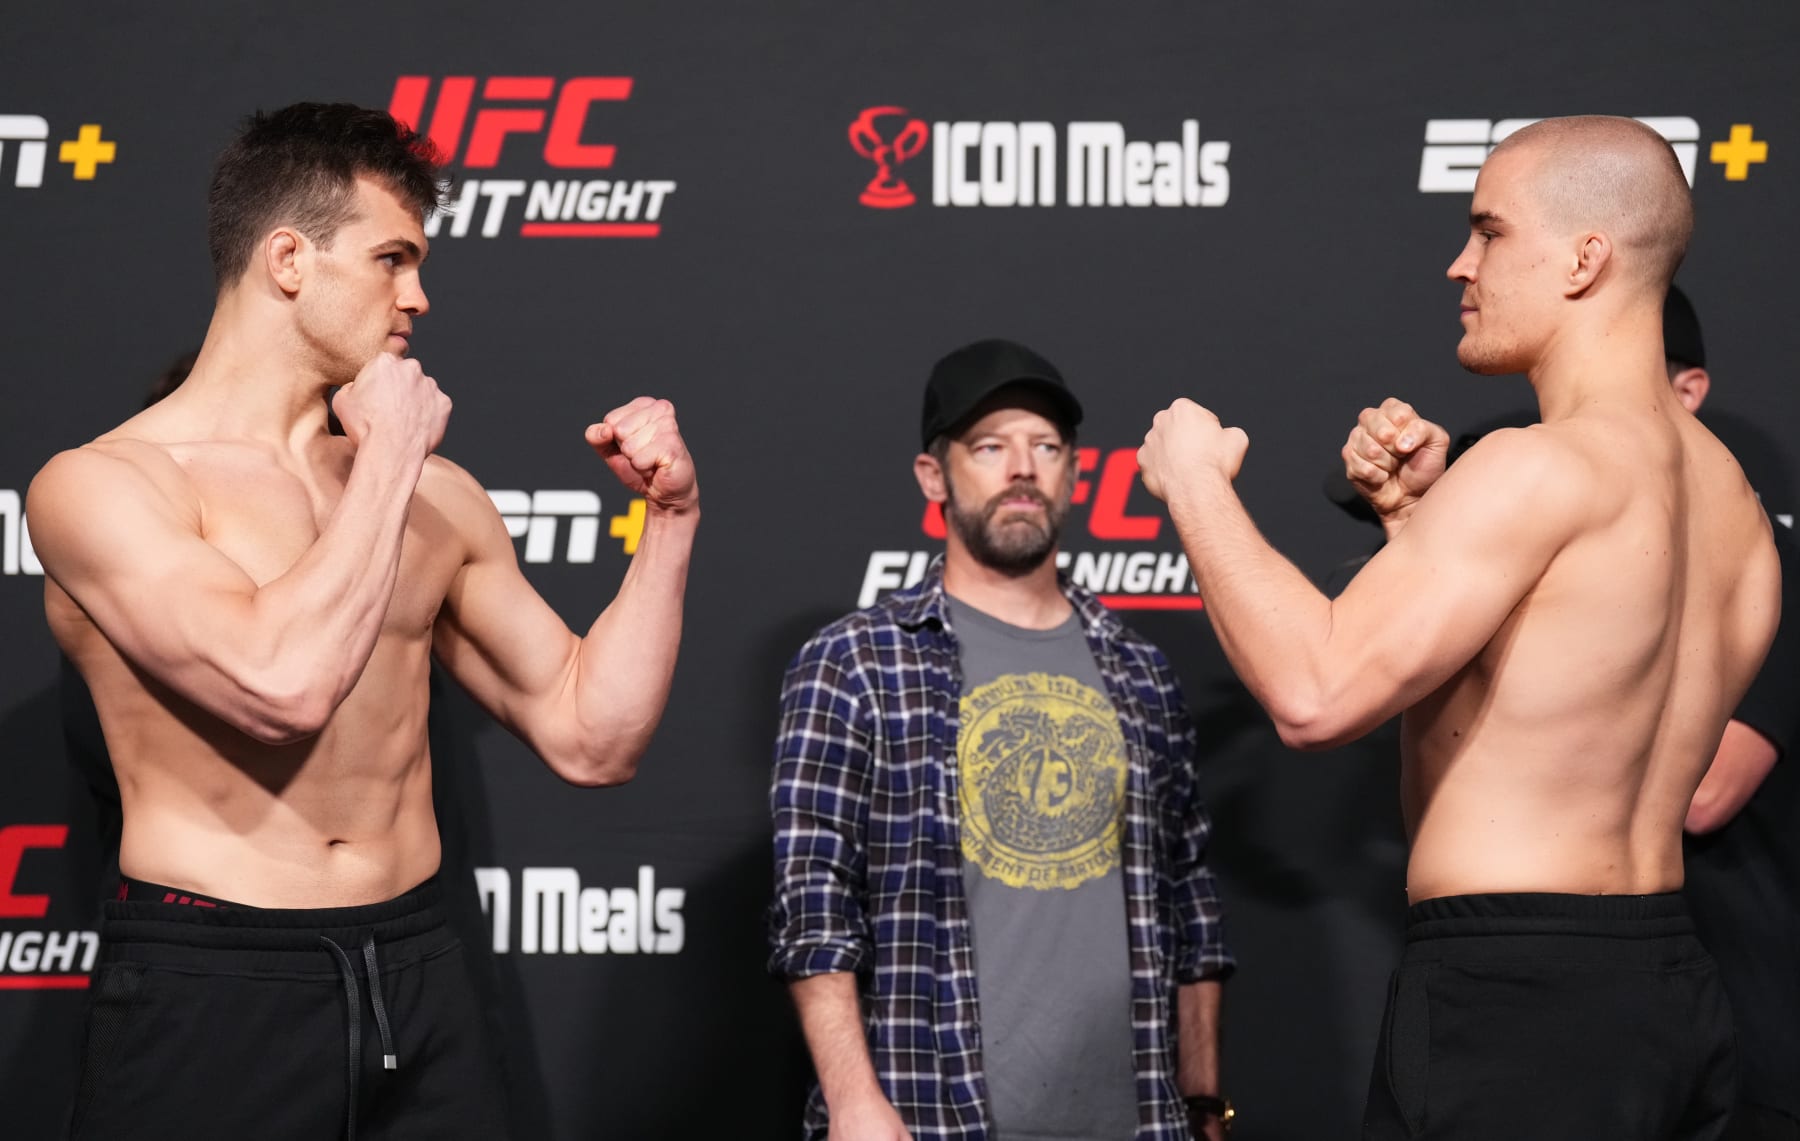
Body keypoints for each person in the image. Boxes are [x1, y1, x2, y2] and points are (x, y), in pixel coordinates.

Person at [27, 102, 699, 1140]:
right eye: (393, 259)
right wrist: (386, 458)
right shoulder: (107, 486)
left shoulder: (437, 496)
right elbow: (278, 686)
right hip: (217, 977)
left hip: (421, 968)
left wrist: (671, 520)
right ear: (288, 259)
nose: (418, 297)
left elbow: (593, 735)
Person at [1136, 115, 1781, 1139]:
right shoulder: (1738, 511)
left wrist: (1196, 487)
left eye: (1488, 231)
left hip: (1513, 1001)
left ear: (1585, 259)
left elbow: (1315, 692)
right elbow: (1558, 677)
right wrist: (1410, 524)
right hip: (1667, 990)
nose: (1458, 264)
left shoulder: (1535, 469)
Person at [767, 339, 1233, 1141]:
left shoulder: (1142, 673)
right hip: (926, 1120)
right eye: (990, 446)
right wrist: (852, 1101)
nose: (1022, 468)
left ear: (1074, 473)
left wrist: (1203, 1101)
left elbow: (1189, 900)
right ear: (933, 475)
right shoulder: (853, 662)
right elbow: (812, 904)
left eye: (1045, 447)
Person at [1665, 288, 1800, 1141]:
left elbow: (1704, 793)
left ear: (1691, 391)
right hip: (1607, 1032)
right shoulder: (1576, 562)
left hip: (1746, 1030)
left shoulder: (1769, 564)